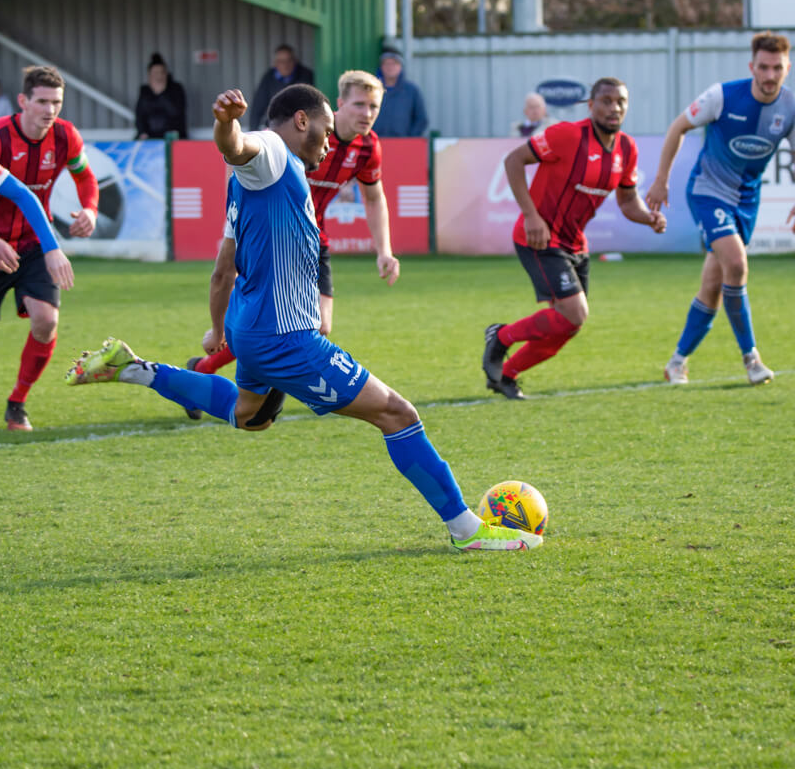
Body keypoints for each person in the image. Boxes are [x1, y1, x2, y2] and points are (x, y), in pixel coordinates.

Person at [66, 83, 539, 553]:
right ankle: (467, 531)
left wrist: (218, 327)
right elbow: (237, 146)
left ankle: (132, 368)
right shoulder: (272, 154)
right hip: (286, 338)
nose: (330, 142)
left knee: (249, 416)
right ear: (301, 121)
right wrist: (226, 123)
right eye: (327, 130)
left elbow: (221, 269)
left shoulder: (246, 187)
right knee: (398, 414)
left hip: (251, 331)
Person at [181, 70, 401, 416]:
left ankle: (217, 372)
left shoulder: (368, 147)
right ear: (340, 104)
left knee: (318, 324)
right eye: (359, 104)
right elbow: (241, 157)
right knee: (273, 318)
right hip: (268, 236)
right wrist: (236, 218)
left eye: (374, 106)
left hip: (311, 239)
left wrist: (384, 250)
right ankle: (223, 373)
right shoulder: (299, 136)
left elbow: (374, 199)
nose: (367, 113)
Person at [482, 77, 667, 399]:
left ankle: (506, 376)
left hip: (575, 244)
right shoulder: (567, 135)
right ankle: (501, 337)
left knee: (569, 324)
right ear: (592, 105)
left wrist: (648, 217)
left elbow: (627, 202)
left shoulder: (626, 148)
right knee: (575, 312)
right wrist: (531, 216)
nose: (615, 107)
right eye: (607, 100)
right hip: (538, 238)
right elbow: (513, 160)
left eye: (621, 101)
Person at [646, 30, 795, 386]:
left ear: (787, 68)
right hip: (708, 191)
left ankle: (677, 361)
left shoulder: (790, 106)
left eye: (778, 68)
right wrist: (661, 180)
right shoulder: (722, 96)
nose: (770, 75)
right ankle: (752, 359)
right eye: (764, 67)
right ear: (752, 66)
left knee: (714, 285)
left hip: (746, 201)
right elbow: (677, 128)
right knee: (737, 263)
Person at [0, 65, 96, 430]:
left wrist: (89, 210)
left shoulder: (66, 137)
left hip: (32, 243)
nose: (49, 109)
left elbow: (82, 179)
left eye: (56, 102)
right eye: (42, 101)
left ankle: (17, 403)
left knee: (46, 321)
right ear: (23, 101)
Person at [249, 44, 314, 130]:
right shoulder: (268, 78)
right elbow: (257, 107)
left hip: (300, 126)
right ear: (275, 63)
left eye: (289, 60)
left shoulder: (306, 75)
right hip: (275, 125)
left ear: (295, 61)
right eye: (281, 61)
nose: (285, 65)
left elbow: (312, 106)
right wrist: (253, 132)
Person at [373, 47, 428, 138]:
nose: (390, 67)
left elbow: (421, 119)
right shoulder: (372, 90)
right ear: (381, 67)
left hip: (403, 145)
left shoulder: (412, 91)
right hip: (375, 143)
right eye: (386, 63)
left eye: (394, 63)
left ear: (400, 66)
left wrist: (410, 139)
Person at [135, 52, 188, 139]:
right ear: (150, 75)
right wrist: (142, 132)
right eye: (155, 73)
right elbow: (140, 115)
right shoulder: (145, 91)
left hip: (172, 134)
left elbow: (177, 113)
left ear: (166, 74)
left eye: (161, 73)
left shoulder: (176, 89)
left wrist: (161, 93)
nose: (159, 76)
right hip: (150, 135)